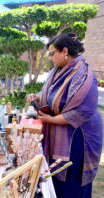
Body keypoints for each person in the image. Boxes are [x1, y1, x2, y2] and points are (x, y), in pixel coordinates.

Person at [27, 33, 103, 198]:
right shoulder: (58, 69)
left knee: (71, 181)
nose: (50, 57)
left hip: (78, 135)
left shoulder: (83, 74)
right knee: (57, 179)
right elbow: (52, 92)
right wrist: (38, 96)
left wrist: (52, 120)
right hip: (60, 131)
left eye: (52, 53)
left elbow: (83, 111)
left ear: (65, 51)